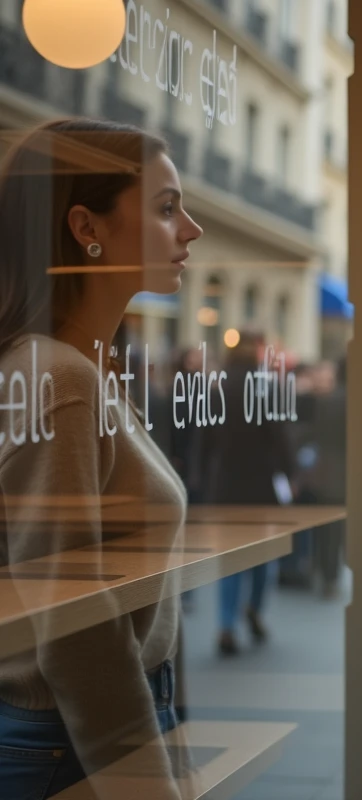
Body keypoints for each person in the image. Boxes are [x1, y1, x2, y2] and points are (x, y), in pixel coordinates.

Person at [0, 119, 202, 796]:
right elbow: (75, 631)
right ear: (87, 225)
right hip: (66, 742)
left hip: (90, 728)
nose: (190, 230)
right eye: (166, 208)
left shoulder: (83, 368)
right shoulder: (62, 378)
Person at [202, 333, 296, 656]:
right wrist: (289, 473)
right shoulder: (265, 388)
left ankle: (226, 624)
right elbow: (280, 438)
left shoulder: (217, 389)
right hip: (260, 486)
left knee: (229, 557)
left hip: (226, 485)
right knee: (261, 554)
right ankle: (254, 607)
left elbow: (205, 439)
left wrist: (200, 478)